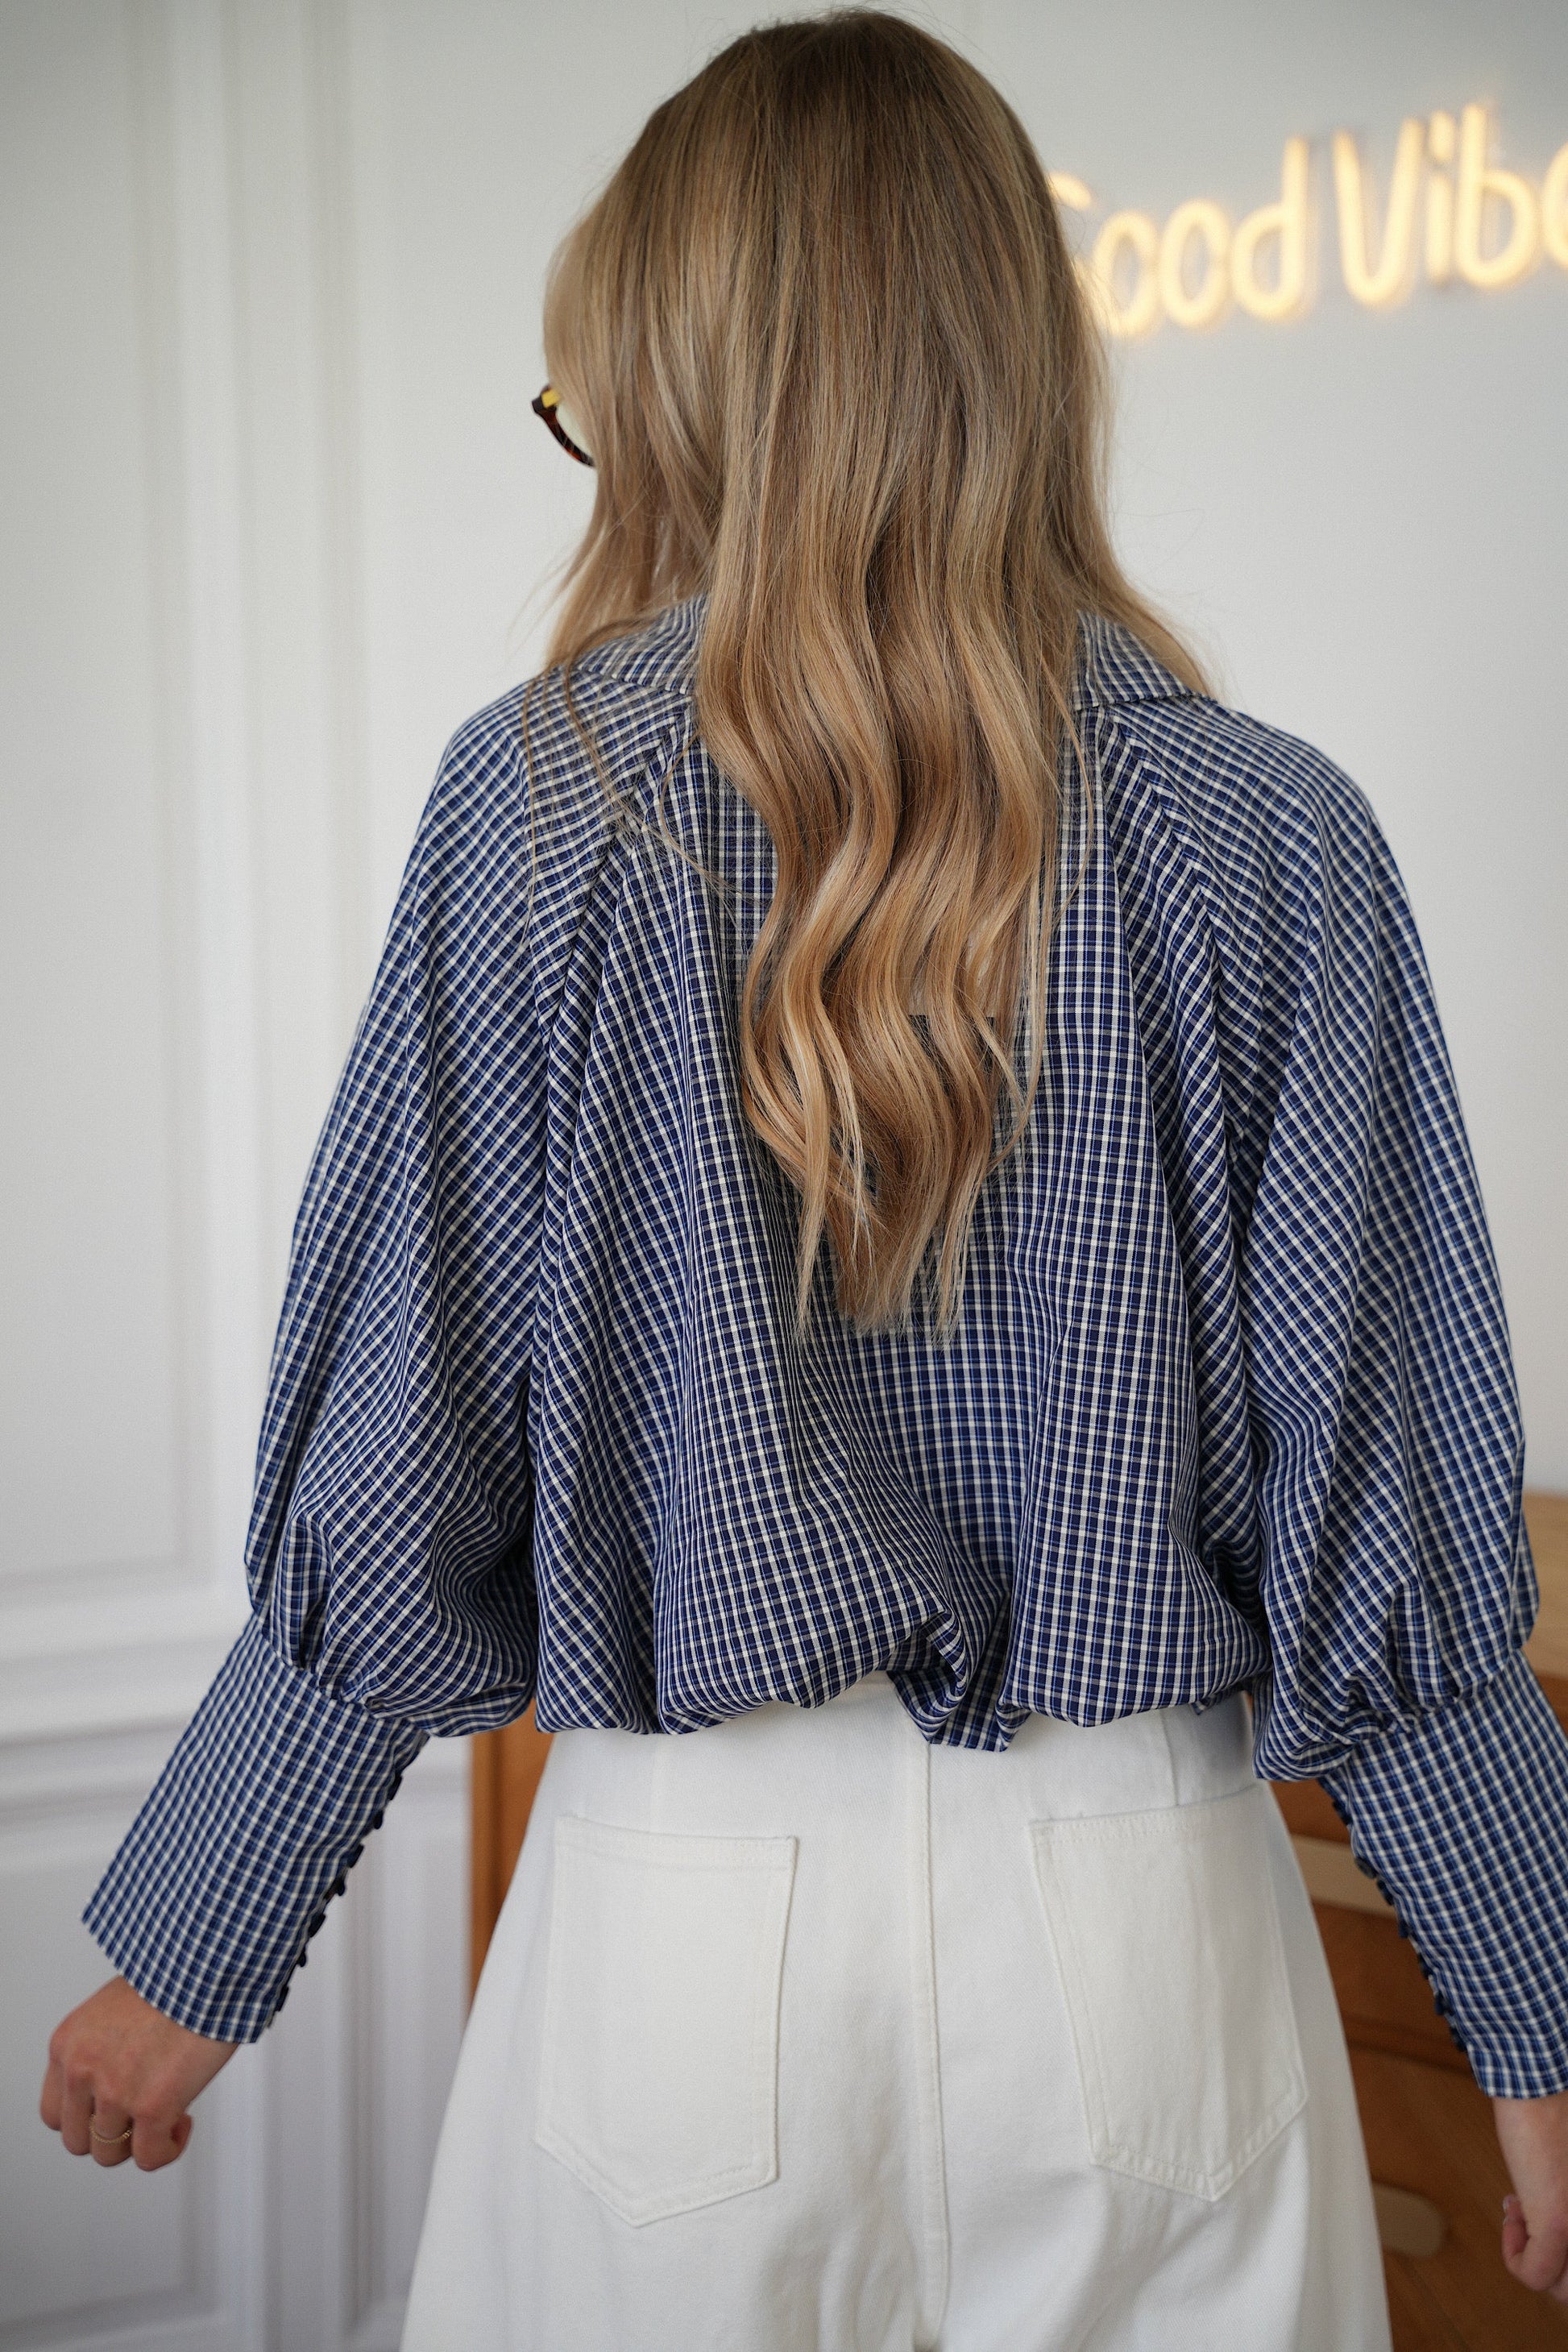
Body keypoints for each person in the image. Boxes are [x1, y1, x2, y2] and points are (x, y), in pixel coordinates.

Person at [39, 11, 1568, 2346]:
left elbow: (404, 1446)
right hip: (1145, 1936)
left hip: (685, 1932)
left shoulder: (543, 808)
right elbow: (1396, 1521)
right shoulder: (1274, 835)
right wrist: (1540, 2023)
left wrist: (193, 1945)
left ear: (681, 398)